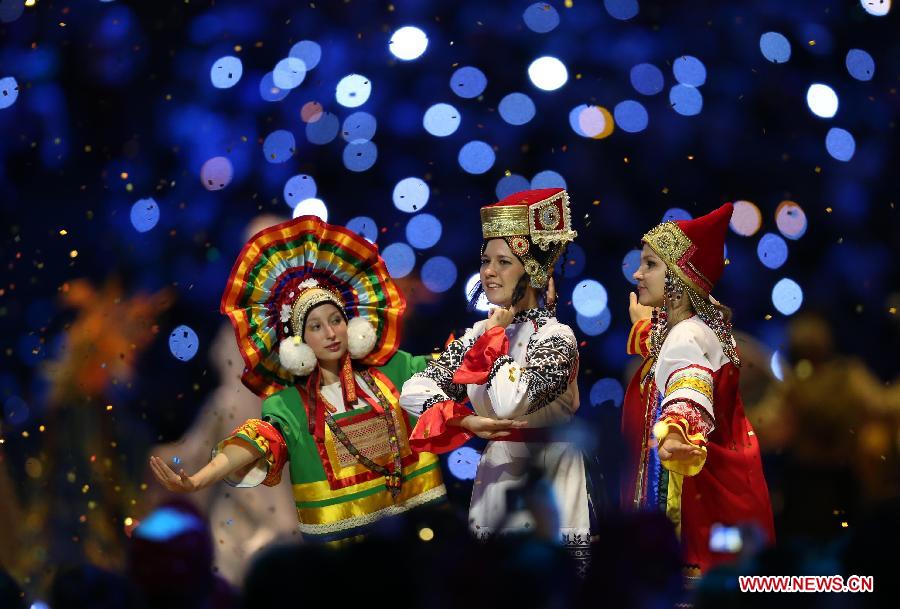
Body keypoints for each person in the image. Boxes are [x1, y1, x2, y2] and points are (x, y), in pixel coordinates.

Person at [150, 215, 446, 543]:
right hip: (258, 550)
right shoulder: (263, 399)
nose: (331, 333)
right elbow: (244, 442)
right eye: (316, 326)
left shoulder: (365, 383)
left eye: (335, 320)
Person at [399, 188, 592, 574]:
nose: (488, 271)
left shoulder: (556, 338)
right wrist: (464, 420)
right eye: (486, 260)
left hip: (549, 479)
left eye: (504, 262)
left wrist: (493, 340)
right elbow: (413, 391)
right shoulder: (477, 334)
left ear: (534, 271)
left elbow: (510, 403)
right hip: (496, 477)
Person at [621, 203, 775, 579]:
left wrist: (676, 429)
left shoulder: (687, 335)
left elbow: (689, 383)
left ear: (679, 277)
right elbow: (668, 354)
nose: (638, 273)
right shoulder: (695, 326)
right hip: (726, 500)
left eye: (651, 265)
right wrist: (642, 329)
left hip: (699, 514)